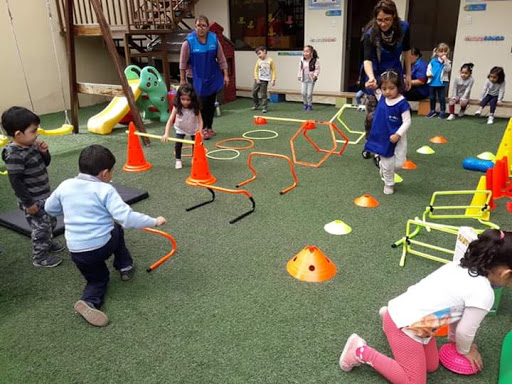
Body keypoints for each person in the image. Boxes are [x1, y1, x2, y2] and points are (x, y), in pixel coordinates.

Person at [340, 229, 512, 384]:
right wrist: (465, 350)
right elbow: (464, 331)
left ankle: (387, 318)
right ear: (506, 274)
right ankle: (360, 351)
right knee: (414, 381)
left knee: (431, 366)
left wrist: (453, 339)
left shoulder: (457, 266)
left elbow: (455, 313)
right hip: (407, 325)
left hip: (406, 314)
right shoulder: (484, 294)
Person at [44, 145, 167, 327]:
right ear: (104, 173)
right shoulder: (105, 190)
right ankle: (125, 266)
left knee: (97, 278)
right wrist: (154, 221)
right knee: (117, 229)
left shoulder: (66, 185)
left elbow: (49, 208)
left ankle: (89, 301)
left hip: (77, 251)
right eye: (111, 172)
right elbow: (127, 218)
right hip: (102, 245)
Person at [1, 106, 64, 268]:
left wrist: (44, 153)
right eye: (33, 131)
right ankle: (40, 256)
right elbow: (16, 182)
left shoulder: (32, 145)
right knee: (41, 227)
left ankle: (47, 243)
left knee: (50, 222)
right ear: (18, 134)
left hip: (44, 195)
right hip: (32, 200)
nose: (37, 134)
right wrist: (29, 203)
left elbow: (45, 164)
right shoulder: (14, 154)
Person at [360, 0, 411, 159]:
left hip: (393, 76)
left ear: (394, 16)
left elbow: (407, 51)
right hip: (374, 75)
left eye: (387, 19)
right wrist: (370, 78)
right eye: (380, 20)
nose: (383, 23)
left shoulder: (403, 28)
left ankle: (388, 146)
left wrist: (408, 74)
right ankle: (371, 144)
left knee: (392, 114)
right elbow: (367, 59)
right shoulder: (370, 33)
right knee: (373, 115)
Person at [179, 15, 229, 140]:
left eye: (203, 26)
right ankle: (200, 129)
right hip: (195, 78)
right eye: (198, 26)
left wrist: (226, 75)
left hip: (212, 76)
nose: (201, 28)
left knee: (210, 103)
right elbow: (182, 63)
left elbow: (221, 58)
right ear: (195, 27)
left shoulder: (214, 39)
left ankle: (209, 127)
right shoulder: (188, 42)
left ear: (207, 27)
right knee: (200, 104)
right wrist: (182, 79)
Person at [363, 71, 411, 195]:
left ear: (398, 87)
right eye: (384, 88)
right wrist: (371, 84)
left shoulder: (402, 103)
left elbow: (407, 121)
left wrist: (398, 134)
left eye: (391, 88)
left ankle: (383, 166)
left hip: (397, 137)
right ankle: (389, 184)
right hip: (383, 137)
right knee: (388, 162)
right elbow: (374, 88)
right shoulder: (382, 97)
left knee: (399, 163)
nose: (387, 91)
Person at [162, 84, 202, 169]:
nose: (185, 102)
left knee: (196, 144)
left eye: (188, 100)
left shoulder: (195, 107)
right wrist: (166, 133)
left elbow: (200, 121)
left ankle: (193, 157)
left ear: (192, 99)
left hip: (193, 128)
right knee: (178, 144)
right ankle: (178, 160)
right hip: (180, 128)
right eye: (183, 99)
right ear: (179, 98)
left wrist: (200, 131)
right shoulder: (177, 107)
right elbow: (170, 120)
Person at [426, 43, 452, 119]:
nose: (443, 53)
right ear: (437, 52)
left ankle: (442, 111)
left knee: (441, 98)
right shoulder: (433, 61)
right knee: (432, 97)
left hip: (442, 83)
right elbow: (428, 69)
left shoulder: (448, 62)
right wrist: (429, 74)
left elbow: (448, 69)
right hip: (432, 82)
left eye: (445, 51)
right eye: (441, 51)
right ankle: (432, 110)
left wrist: (445, 62)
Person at [252, 46, 276, 114]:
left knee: (263, 94)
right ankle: (256, 104)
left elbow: (274, 70)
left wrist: (273, 79)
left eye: (260, 53)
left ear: (264, 51)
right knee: (254, 92)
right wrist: (256, 78)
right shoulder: (258, 61)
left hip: (265, 80)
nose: (259, 55)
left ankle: (264, 107)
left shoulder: (270, 60)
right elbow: (255, 70)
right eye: (257, 54)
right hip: (258, 79)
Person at [297, 45, 320, 111]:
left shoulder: (315, 61)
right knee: (303, 93)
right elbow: (300, 68)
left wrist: (315, 75)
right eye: (304, 51)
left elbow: (317, 69)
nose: (305, 53)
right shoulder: (302, 60)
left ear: (311, 52)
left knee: (309, 94)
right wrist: (299, 75)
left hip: (311, 80)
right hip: (304, 79)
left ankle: (309, 105)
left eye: (307, 51)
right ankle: (305, 104)